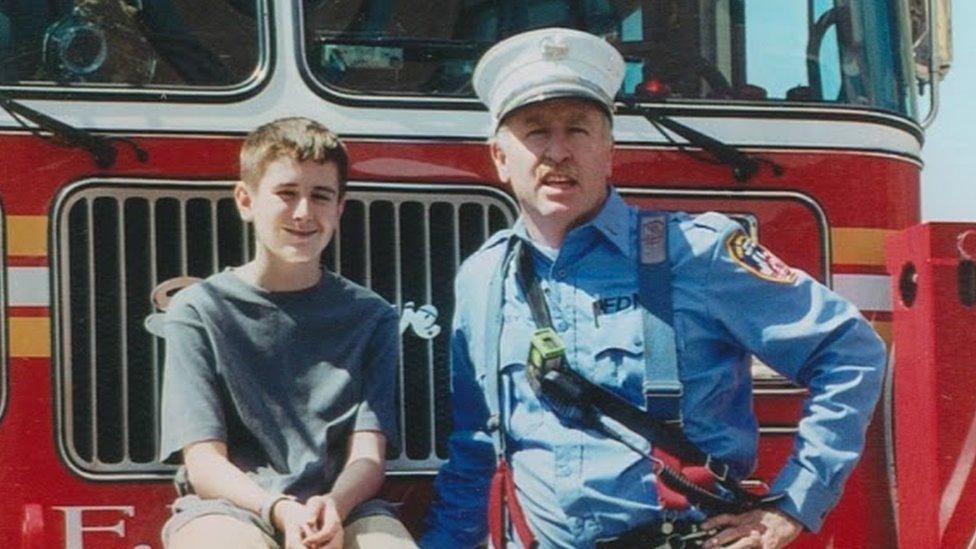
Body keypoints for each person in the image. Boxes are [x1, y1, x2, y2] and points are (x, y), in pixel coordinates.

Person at [420, 28, 886, 548]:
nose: (558, 152)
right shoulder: (482, 279)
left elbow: (851, 350)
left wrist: (794, 502)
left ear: (609, 150)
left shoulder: (697, 252)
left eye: (578, 130)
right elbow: (477, 448)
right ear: (501, 159)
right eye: (535, 132)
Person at [159, 117, 417, 549]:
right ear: (245, 200)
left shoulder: (373, 317)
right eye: (285, 194)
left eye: (320, 196)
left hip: (342, 506)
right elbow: (203, 463)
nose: (303, 213)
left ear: (339, 208)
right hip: (230, 506)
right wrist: (279, 510)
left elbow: (368, 458)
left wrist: (333, 506)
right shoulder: (197, 311)